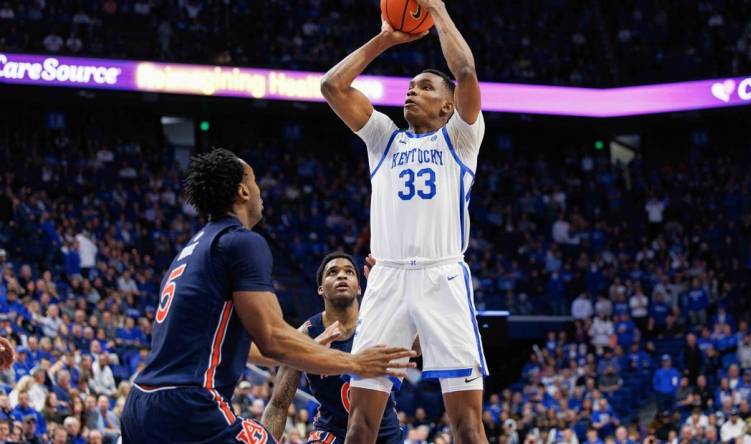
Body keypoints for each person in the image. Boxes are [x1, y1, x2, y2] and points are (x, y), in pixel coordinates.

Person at [120, 149, 414, 443]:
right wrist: (356, 363)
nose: (261, 191)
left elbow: (232, 346)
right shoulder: (241, 242)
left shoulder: (190, 251)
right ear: (243, 190)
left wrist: (309, 350)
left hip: (141, 404)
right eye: (256, 181)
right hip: (188, 406)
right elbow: (272, 338)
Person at [321, 0, 487, 442]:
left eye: (427, 87)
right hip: (387, 281)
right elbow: (332, 86)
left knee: (468, 425)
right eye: (410, 86)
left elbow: (466, 73)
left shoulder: (461, 138)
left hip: (442, 277)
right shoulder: (383, 139)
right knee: (359, 424)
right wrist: (385, 38)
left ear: (447, 108)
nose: (412, 91)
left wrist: (436, 8)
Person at [260, 252, 404, 443]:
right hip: (331, 432)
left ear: (360, 288)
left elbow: (418, 348)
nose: (342, 276)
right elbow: (278, 404)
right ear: (321, 289)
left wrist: (390, 295)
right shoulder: (305, 334)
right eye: (333, 272)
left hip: (383, 433)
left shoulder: (378, 322)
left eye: (349, 272)